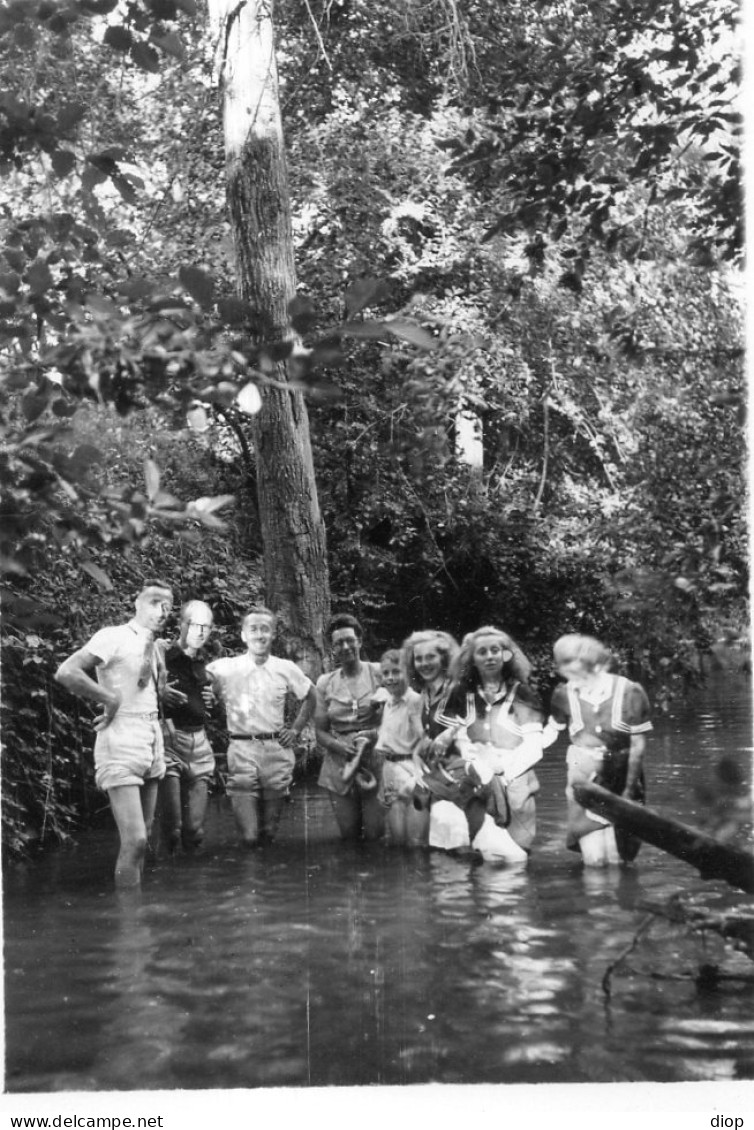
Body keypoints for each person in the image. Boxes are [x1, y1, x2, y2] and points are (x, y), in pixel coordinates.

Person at [54, 580, 174, 888]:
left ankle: (136, 916)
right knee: (134, 840)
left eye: (168, 606)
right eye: (154, 602)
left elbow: (144, 689)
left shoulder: (154, 646)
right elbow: (67, 671)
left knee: (144, 839)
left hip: (151, 737)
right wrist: (108, 698)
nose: (162, 611)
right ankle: (129, 929)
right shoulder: (113, 636)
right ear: (136, 603)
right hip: (121, 735)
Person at [205, 606, 315, 847]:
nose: (259, 635)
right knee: (250, 837)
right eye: (253, 629)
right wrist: (207, 696)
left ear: (273, 634)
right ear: (243, 635)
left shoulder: (285, 668)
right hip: (242, 750)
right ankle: (252, 878)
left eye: (265, 629)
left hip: (276, 750)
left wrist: (295, 730)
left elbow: (311, 695)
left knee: (268, 833)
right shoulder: (225, 667)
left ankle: (267, 881)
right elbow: (199, 681)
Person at [543, 633, 652, 866]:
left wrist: (630, 790)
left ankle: (621, 899)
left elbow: (638, 745)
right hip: (583, 776)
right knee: (595, 859)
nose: (564, 669)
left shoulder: (630, 691)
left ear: (592, 660)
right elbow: (551, 730)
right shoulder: (563, 694)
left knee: (619, 859)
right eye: (561, 663)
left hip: (624, 777)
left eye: (571, 661)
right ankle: (596, 898)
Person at [438, 626, 544, 861]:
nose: (489, 657)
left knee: (517, 859)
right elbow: (459, 738)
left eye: (495, 650)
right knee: (486, 860)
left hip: (516, 779)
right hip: (477, 777)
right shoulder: (461, 693)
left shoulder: (523, 693)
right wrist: (477, 764)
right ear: (472, 659)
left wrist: (504, 772)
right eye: (482, 652)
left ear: (506, 655)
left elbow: (534, 746)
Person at [315, 614, 384, 841]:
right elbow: (320, 732)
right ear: (332, 648)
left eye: (349, 640)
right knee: (349, 838)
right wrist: (339, 747)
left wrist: (375, 734)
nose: (345, 647)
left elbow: (397, 717)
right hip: (339, 762)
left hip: (374, 758)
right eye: (338, 643)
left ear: (359, 641)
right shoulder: (325, 682)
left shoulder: (379, 673)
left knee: (375, 835)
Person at [402, 629, 469, 851]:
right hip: (429, 774)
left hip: (457, 775)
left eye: (430, 656)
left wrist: (450, 733)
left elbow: (476, 723)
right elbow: (421, 740)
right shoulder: (422, 695)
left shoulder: (459, 689)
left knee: (455, 849)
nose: (424, 663)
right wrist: (416, 754)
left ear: (444, 658)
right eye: (418, 658)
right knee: (416, 844)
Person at [158, 599, 217, 852]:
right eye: (194, 625)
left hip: (200, 743)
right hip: (169, 741)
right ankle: (165, 886)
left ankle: (194, 887)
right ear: (181, 625)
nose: (200, 632)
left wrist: (214, 700)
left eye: (206, 626)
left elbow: (213, 707)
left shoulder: (206, 661)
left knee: (194, 831)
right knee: (171, 831)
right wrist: (158, 693)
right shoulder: (161, 655)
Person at [372, 649, 428, 847]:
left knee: (413, 842)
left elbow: (424, 739)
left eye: (396, 672)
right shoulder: (388, 701)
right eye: (386, 673)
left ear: (408, 672)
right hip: (389, 771)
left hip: (409, 770)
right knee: (395, 841)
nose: (390, 678)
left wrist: (415, 779)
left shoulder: (415, 701)